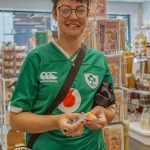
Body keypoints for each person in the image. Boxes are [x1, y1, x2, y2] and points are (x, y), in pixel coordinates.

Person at [9, 0, 116, 149]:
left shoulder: (98, 60)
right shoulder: (37, 58)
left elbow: (111, 108)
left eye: (80, 10)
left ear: (87, 14)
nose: (73, 17)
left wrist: (103, 115)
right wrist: (56, 121)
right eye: (65, 10)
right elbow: (15, 119)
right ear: (54, 13)